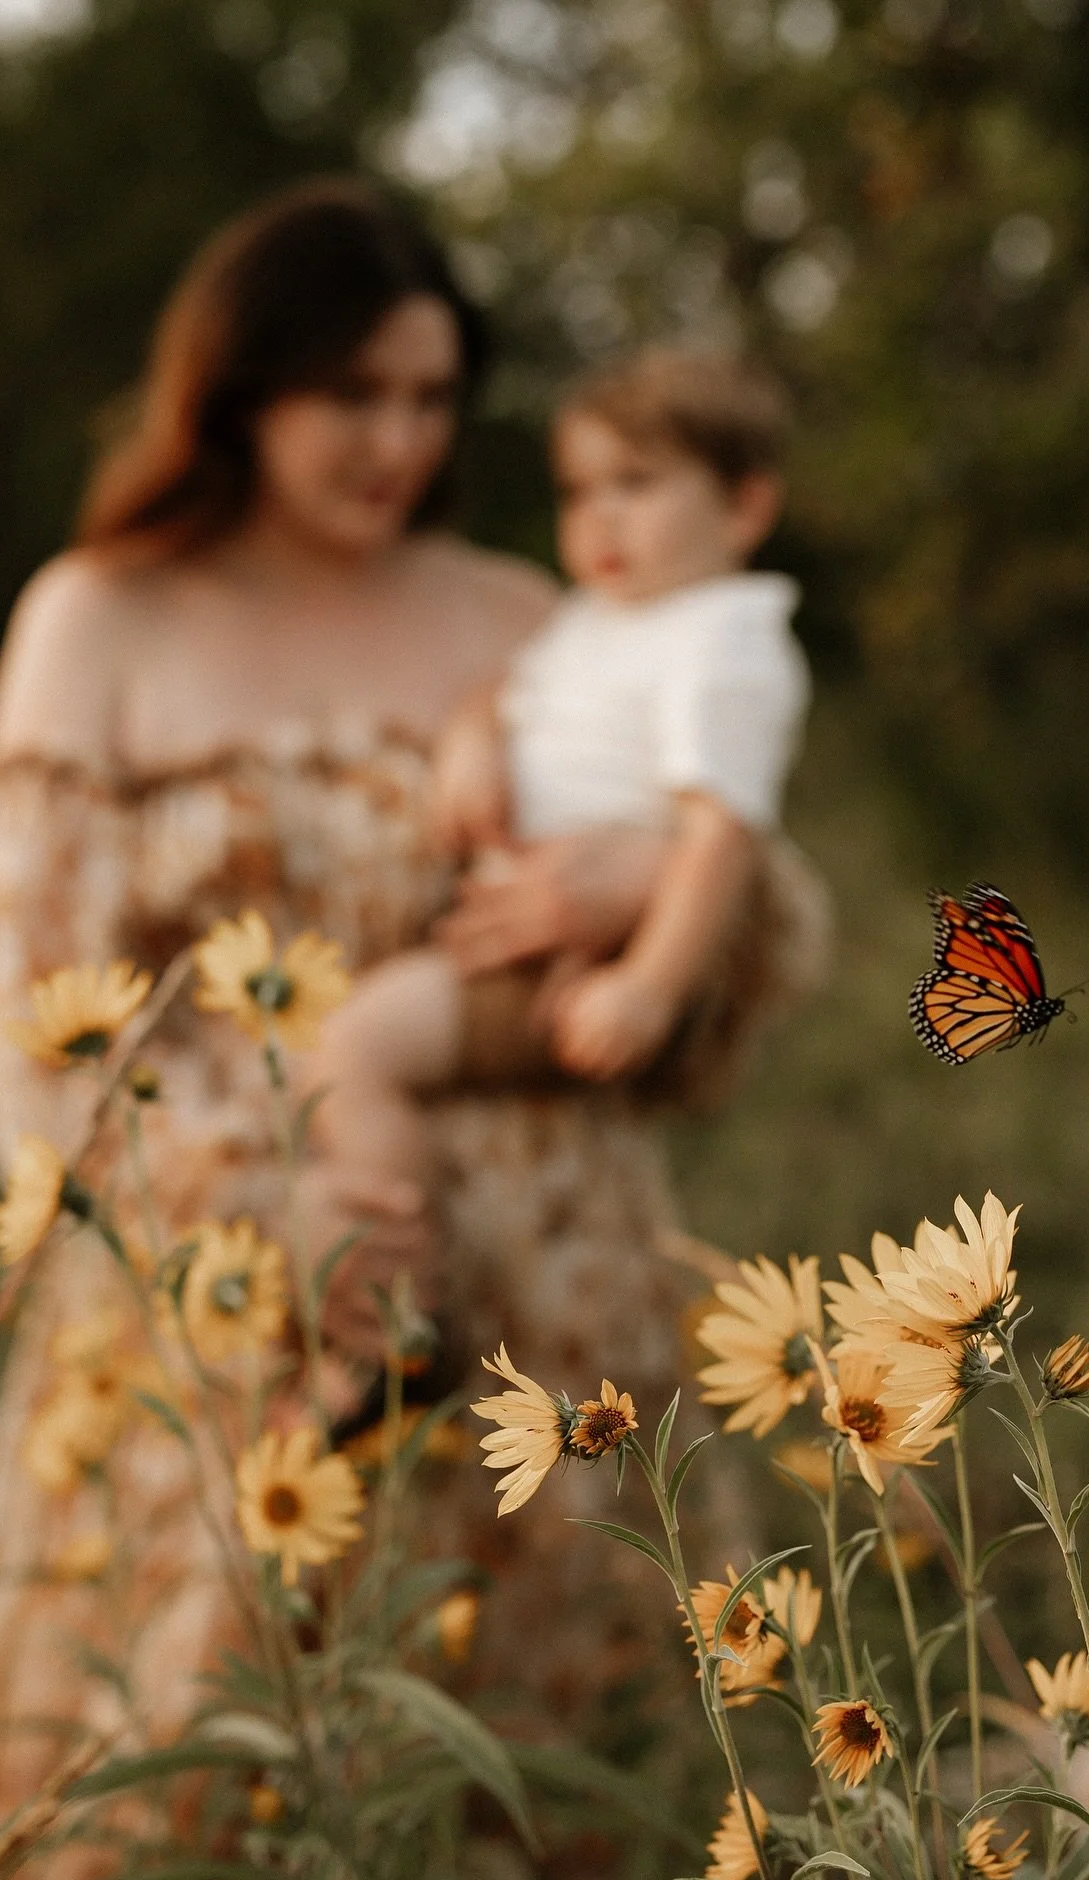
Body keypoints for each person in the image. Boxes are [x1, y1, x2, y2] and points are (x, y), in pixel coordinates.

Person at [0, 179, 828, 1880]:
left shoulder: (534, 613)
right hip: (231, 1328)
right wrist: (264, 1211)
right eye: (353, 393)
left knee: (580, 1812)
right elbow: (15, 995)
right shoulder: (97, 615)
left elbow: (732, 912)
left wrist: (652, 880)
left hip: (563, 1322)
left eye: (431, 396)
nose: (398, 438)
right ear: (237, 386)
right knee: (165, 1811)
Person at [310, 348, 811, 1299]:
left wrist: (648, 987)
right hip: (526, 922)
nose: (599, 518)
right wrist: (473, 735)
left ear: (745, 507)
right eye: (580, 492)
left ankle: (399, 1308)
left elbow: (720, 836)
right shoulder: (609, 616)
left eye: (638, 483)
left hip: (572, 961)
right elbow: (519, 688)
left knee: (349, 1053)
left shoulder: (724, 644)